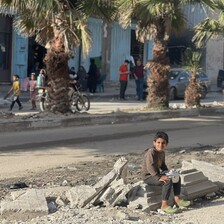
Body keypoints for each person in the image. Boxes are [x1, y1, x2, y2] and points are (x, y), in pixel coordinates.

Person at [141, 131, 191, 214]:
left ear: (166, 144)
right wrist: (159, 177)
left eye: (163, 143)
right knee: (167, 181)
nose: (160, 145)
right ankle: (164, 205)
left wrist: (168, 173)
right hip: (148, 176)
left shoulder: (162, 153)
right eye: (158, 142)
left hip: (156, 174)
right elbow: (150, 167)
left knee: (176, 177)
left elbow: (163, 166)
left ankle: (177, 199)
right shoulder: (151, 152)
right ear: (154, 143)